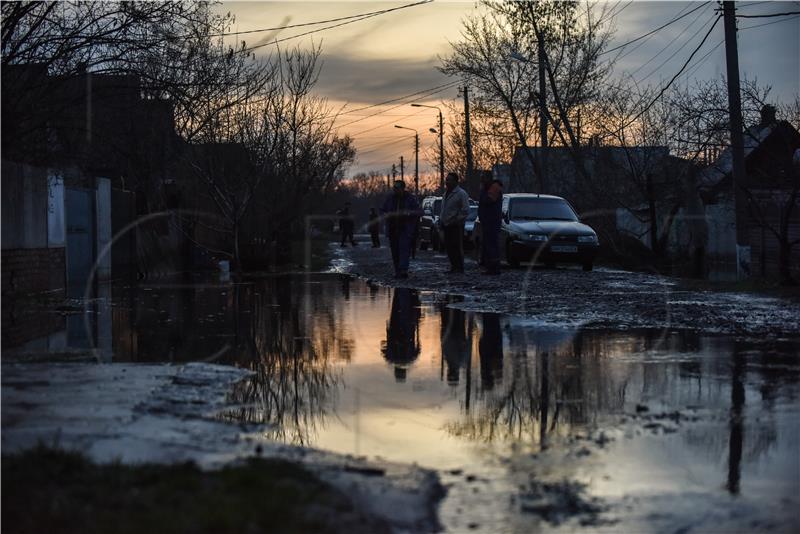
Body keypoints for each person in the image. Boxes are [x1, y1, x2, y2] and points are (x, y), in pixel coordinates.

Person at [380, 180, 422, 278]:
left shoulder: (410, 198)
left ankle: (403, 270)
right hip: (392, 228)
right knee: (395, 250)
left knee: (404, 249)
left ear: (403, 188)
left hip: (405, 229)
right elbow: (382, 209)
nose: (395, 190)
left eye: (397, 188)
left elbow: (419, 211)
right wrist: (385, 215)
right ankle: (397, 270)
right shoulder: (390, 198)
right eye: (394, 188)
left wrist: (408, 213)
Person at [439, 172, 470, 273]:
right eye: (446, 179)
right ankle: (454, 266)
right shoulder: (445, 193)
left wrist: (457, 219)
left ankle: (459, 268)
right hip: (446, 224)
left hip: (456, 225)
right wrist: (441, 220)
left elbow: (466, 210)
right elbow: (443, 209)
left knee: (456, 246)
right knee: (449, 247)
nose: (447, 182)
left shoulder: (461, 193)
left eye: (449, 180)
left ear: (456, 181)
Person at [478, 171, 503, 275]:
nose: (481, 180)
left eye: (483, 178)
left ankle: (494, 268)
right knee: (488, 245)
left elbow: (488, 201)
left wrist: (483, 191)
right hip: (488, 221)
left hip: (491, 221)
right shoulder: (489, 188)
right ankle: (490, 267)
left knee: (492, 245)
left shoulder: (494, 188)